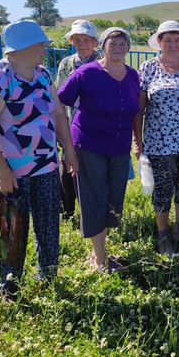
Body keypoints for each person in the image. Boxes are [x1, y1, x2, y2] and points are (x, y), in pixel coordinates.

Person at [0, 20, 77, 301]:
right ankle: (10, 287)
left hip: (45, 167)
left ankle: (48, 277)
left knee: (48, 225)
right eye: (41, 44)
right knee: (11, 231)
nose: (45, 49)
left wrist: (68, 149)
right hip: (9, 173)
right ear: (23, 47)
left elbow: (57, 115)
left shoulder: (42, 75)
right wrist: (1, 170)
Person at [57, 27, 140, 273]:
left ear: (128, 47)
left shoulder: (132, 75)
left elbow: (136, 111)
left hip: (119, 147)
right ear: (102, 45)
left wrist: (137, 140)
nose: (117, 47)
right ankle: (100, 259)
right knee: (94, 198)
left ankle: (100, 250)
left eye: (122, 43)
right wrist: (65, 144)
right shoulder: (86, 73)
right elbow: (59, 103)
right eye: (112, 43)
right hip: (88, 144)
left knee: (112, 200)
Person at [133, 20, 179, 256]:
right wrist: (137, 140)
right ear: (159, 42)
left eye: (177, 40)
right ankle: (163, 235)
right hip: (158, 142)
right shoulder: (148, 67)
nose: (173, 44)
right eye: (168, 40)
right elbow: (139, 109)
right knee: (162, 189)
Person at [54, 19, 101, 220]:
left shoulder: (104, 61)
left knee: (93, 168)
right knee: (68, 166)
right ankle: (68, 212)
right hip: (72, 123)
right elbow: (59, 97)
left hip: (98, 125)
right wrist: (60, 126)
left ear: (95, 42)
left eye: (86, 40)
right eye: (77, 40)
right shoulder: (66, 64)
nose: (82, 44)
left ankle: (92, 211)